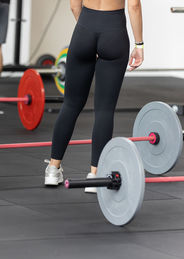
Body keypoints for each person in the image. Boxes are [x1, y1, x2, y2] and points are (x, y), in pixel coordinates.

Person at [44, 0, 144, 192]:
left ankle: (52, 169)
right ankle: (95, 176)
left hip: (84, 30)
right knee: (105, 109)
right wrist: (139, 45)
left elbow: (74, 6)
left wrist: (89, 33)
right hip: (114, 33)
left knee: (71, 104)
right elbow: (134, 6)